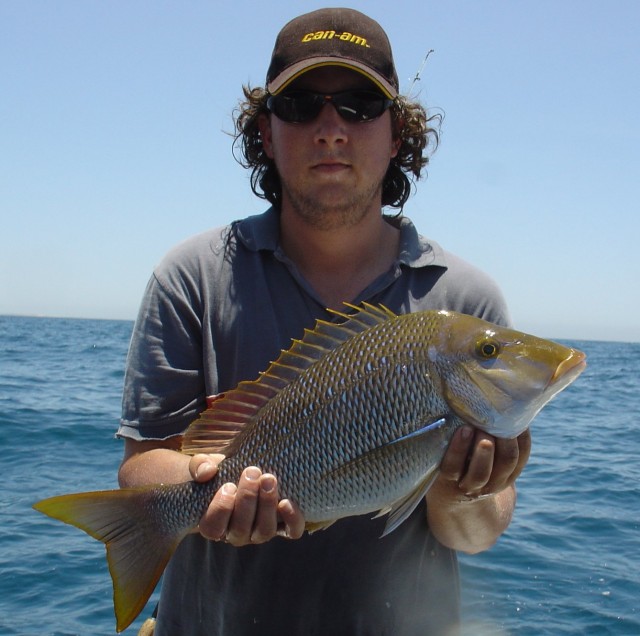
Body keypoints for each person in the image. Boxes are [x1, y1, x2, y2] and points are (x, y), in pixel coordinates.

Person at [118, 8, 531, 635]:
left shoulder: (465, 306)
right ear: (266, 132)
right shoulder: (193, 278)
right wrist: (207, 489)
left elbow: (474, 534)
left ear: (396, 134)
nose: (331, 130)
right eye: (301, 105)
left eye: (361, 106)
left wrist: (459, 489)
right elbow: (143, 465)